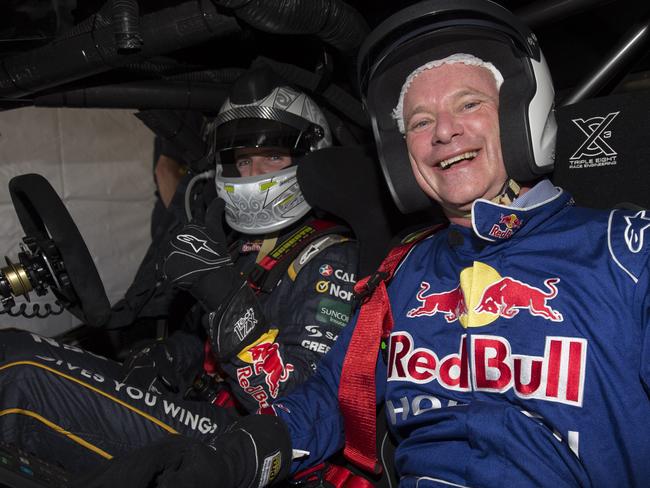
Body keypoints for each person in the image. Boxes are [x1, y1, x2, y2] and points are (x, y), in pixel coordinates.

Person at [84, 1, 650, 487]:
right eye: (420, 120)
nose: (443, 132)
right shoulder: (402, 273)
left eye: (469, 104)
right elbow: (328, 396)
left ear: (519, 113)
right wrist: (232, 459)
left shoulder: (625, 251)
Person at [0, 68, 359, 474]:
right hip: (201, 409)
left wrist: (227, 302)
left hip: (244, 443)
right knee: (13, 349)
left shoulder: (331, 259)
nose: (254, 175)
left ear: (309, 158)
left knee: (20, 373)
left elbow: (295, 410)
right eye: (243, 160)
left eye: (272, 157)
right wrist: (170, 358)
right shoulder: (240, 244)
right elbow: (203, 346)